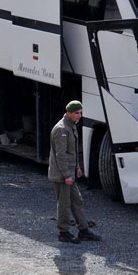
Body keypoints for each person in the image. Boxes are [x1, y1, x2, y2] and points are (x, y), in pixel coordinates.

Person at [48, 100, 101, 244]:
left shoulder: (71, 126)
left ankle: (83, 230)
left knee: (77, 201)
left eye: (80, 113)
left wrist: (77, 168)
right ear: (69, 113)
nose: (79, 116)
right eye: (77, 113)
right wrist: (66, 175)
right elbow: (61, 155)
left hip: (69, 173)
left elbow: (72, 152)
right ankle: (63, 233)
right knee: (64, 204)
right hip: (62, 175)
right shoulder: (62, 129)